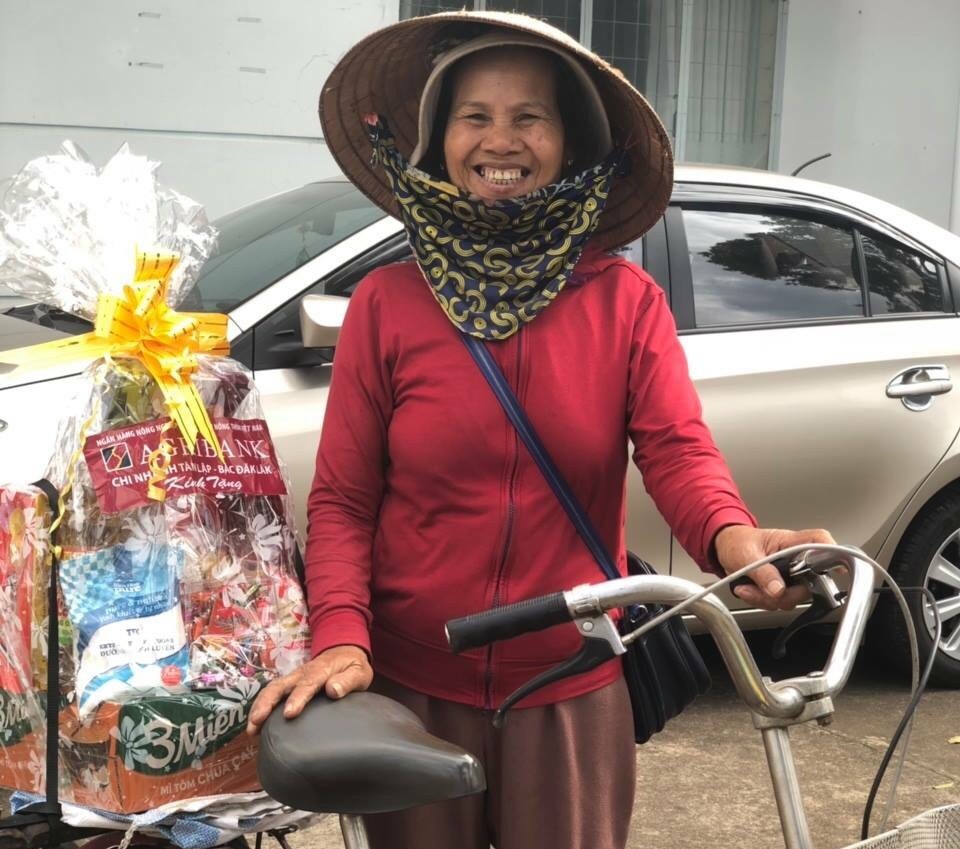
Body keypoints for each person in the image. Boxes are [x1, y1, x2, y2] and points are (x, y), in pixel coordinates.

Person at [247, 11, 833, 849]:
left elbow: (677, 450)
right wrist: (341, 632)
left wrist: (734, 539)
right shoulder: (387, 304)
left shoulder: (627, 304)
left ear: (570, 143)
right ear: (439, 141)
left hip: (571, 685)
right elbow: (344, 499)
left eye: (531, 117)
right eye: (474, 116)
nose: (501, 140)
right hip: (415, 689)